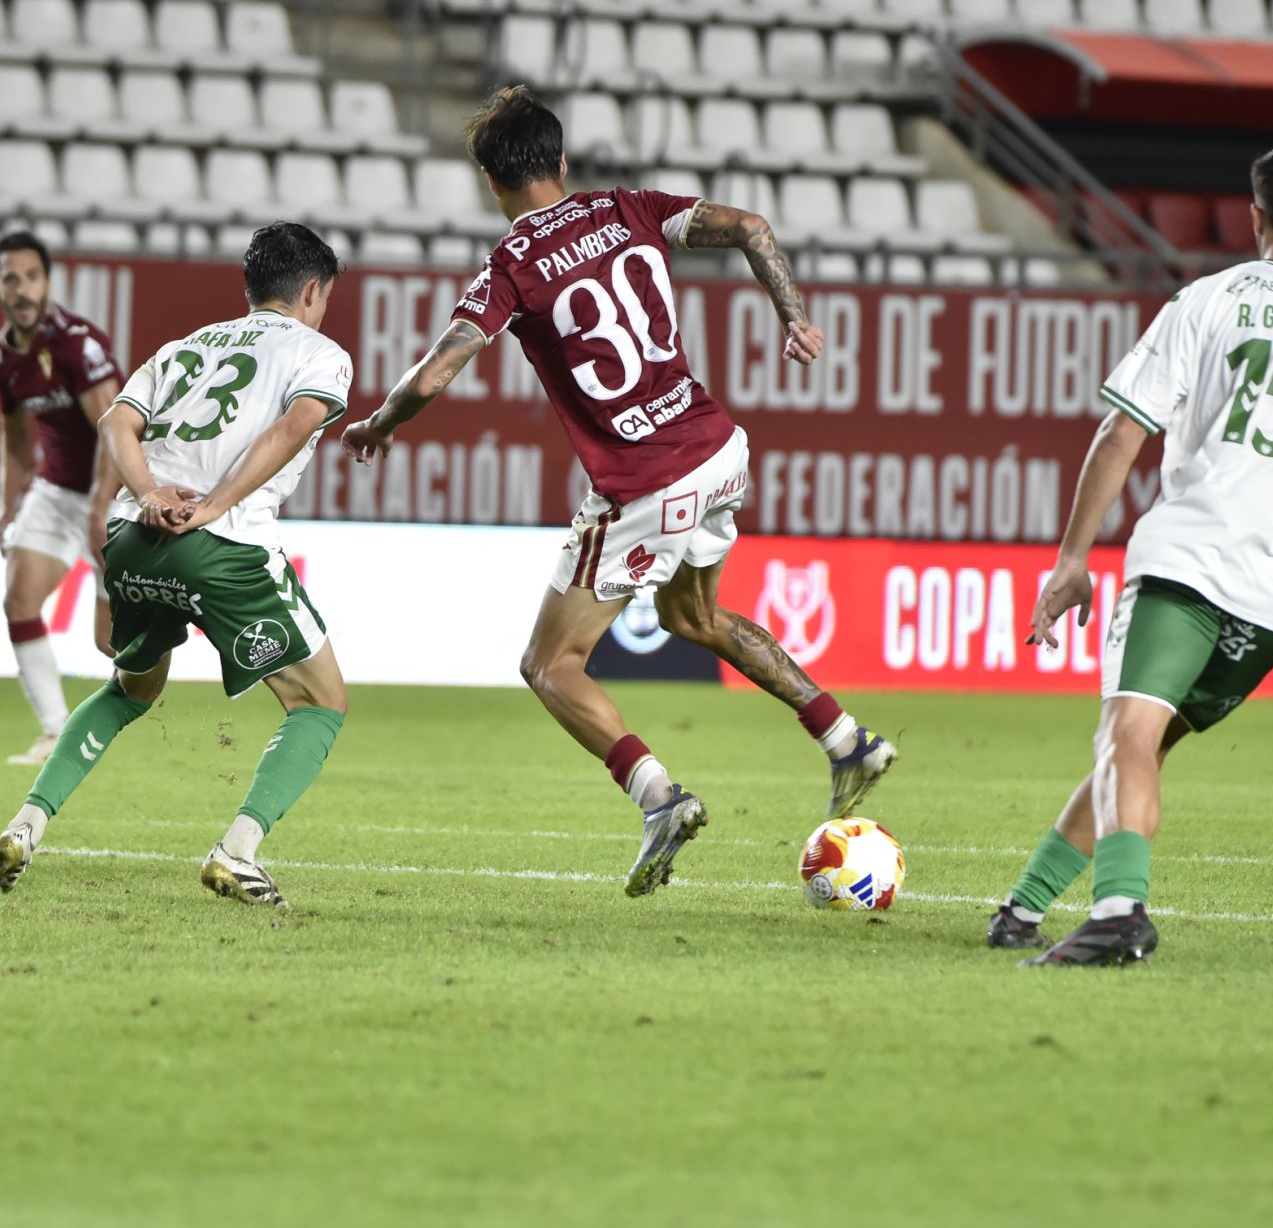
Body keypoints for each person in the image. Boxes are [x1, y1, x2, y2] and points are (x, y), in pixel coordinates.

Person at [339, 86, 896, 898]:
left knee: (549, 663)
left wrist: (380, 424)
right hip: (716, 449)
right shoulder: (628, 207)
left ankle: (659, 798)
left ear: (491, 182)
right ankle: (845, 738)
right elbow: (750, 227)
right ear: (561, 162)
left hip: (644, 482)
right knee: (692, 616)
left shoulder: (512, 266)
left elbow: (438, 369)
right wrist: (793, 315)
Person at [994, 143, 1273, 966]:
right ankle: (1023, 905)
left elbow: (1122, 430)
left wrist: (1071, 559)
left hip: (1187, 562)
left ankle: (1121, 915)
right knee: (1140, 746)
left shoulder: (1208, 300)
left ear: (1254, 215)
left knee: (1126, 732)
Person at [0, 222, 355, 907]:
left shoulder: (186, 345)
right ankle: (236, 853)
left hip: (133, 536)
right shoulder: (319, 351)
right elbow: (296, 424)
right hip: (222, 544)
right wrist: (215, 506)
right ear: (311, 290)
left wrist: (148, 491)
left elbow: (117, 423)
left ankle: (24, 826)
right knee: (320, 702)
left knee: (130, 689)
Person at [0, 231, 123, 764]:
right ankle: (55, 731)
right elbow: (16, 434)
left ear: (47, 282)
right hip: (58, 491)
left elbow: (114, 428)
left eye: (32, 277)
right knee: (17, 599)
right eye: (10, 279)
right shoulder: (0, 358)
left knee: (108, 644)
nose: (22, 289)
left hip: (115, 493)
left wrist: (100, 507)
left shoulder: (78, 344)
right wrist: (7, 504)